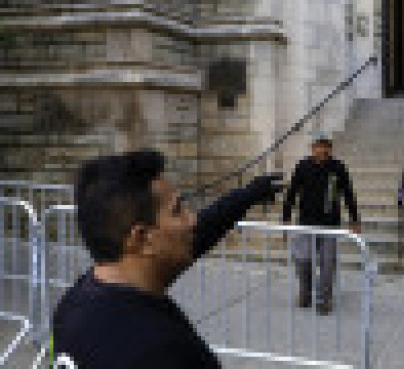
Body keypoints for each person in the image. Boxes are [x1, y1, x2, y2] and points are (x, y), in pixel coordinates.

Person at [51, 150, 282, 368]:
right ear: (142, 238)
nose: (192, 220)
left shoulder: (73, 307)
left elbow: (196, 236)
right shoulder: (162, 352)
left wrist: (246, 196)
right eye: (178, 210)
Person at [282, 132, 360, 315]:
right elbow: (292, 193)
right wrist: (285, 219)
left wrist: (355, 219)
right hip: (306, 223)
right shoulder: (303, 166)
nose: (322, 150)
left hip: (330, 224)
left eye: (326, 146)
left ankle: (325, 299)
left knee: (327, 264)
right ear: (312, 148)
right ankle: (306, 292)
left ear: (330, 148)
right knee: (303, 260)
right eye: (319, 146)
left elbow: (348, 193)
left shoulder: (338, 168)